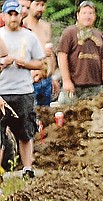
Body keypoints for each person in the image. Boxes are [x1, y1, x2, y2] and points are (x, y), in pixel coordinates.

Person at [0, 0, 43, 180]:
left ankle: (27, 168)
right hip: (2, 92)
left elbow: (40, 63)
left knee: (25, 132)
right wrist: (3, 63)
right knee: (0, 135)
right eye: (9, 14)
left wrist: (26, 64)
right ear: (3, 16)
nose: (13, 18)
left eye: (16, 14)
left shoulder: (29, 37)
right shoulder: (0, 36)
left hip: (23, 91)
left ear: (20, 16)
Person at [55, 0, 103, 103]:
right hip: (74, 86)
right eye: (84, 13)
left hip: (95, 87)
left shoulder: (98, 34)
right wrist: (66, 80)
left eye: (91, 13)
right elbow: (62, 55)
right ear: (78, 15)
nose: (88, 16)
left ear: (95, 16)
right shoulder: (70, 32)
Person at [23, 0, 53, 106]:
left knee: (46, 117)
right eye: (37, 4)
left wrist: (52, 75)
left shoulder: (46, 27)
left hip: (46, 79)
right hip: (32, 79)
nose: (40, 8)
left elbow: (50, 53)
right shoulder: (23, 26)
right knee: (31, 117)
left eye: (43, 5)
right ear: (29, 5)